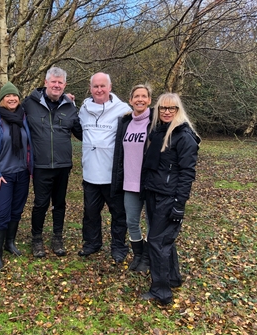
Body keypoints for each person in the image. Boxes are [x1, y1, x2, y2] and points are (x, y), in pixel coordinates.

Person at [140, 93, 200, 305]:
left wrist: (179, 204)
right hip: (154, 193)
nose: (166, 112)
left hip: (169, 197)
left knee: (157, 242)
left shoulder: (184, 136)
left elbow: (187, 173)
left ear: (178, 110)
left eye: (171, 108)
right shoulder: (158, 131)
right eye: (162, 108)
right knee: (164, 241)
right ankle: (172, 278)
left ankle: (161, 292)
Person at [22, 66, 82, 257]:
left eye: (60, 82)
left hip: (63, 165)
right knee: (40, 204)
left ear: (64, 85)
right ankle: (37, 239)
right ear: (46, 82)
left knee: (60, 203)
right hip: (41, 165)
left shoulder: (70, 106)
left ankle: (57, 237)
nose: (56, 85)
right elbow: (11, 114)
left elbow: (81, 132)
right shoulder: (29, 103)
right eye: (53, 81)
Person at [78, 72, 131, 263]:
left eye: (102, 86)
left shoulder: (123, 110)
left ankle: (118, 247)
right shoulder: (83, 109)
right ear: (90, 88)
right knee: (90, 213)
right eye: (95, 86)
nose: (99, 90)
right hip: (90, 173)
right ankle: (92, 243)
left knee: (118, 214)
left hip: (113, 175)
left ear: (110, 87)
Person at [0, 81, 33, 270]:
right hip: (2, 175)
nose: (12, 99)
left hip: (22, 173)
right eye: (7, 96)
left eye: (15, 96)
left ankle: (9, 243)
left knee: (17, 211)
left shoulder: (24, 117)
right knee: (1, 212)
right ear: (2, 99)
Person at [111, 84, 153, 272]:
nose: (140, 99)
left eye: (144, 96)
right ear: (130, 100)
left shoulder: (156, 122)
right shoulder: (125, 122)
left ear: (150, 100)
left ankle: (148, 258)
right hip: (129, 182)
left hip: (150, 183)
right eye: (136, 96)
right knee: (132, 222)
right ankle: (138, 255)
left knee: (152, 224)